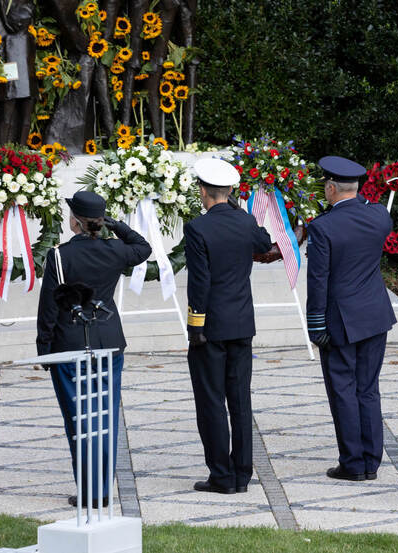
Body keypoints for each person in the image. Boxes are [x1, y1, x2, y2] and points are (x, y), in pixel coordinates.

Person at [37, 190, 151, 507]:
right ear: (99, 222)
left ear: (74, 221)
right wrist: (116, 226)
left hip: (70, 343)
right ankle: (101, 489)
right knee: (105, 417)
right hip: (108, 341)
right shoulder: (115, 250)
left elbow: (49, 305)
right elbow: (143, 248)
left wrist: (44, 348)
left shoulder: (60, 256)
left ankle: (90, 492)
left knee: (79, 419)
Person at [306, 155, 396, 481]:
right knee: (368, 389)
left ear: (330, 188)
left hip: (340, 319)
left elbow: (318, 281)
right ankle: (371, 461)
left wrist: (315, 324)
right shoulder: (379, 216)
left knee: (343, 389)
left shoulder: (323, 227)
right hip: (375, 314)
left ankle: (353, 463)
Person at [185, 158, 272, 494]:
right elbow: (264, 243)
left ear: (204, 191)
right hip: (242, 323)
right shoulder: (245, 220)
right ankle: (242, 473)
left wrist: (195, 325)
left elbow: (200, 282)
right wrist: (241, 213)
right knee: (240, 401)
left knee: (211, 401)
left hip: (211, 326)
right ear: (231, 192)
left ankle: (221, 475)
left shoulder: (198, 228)